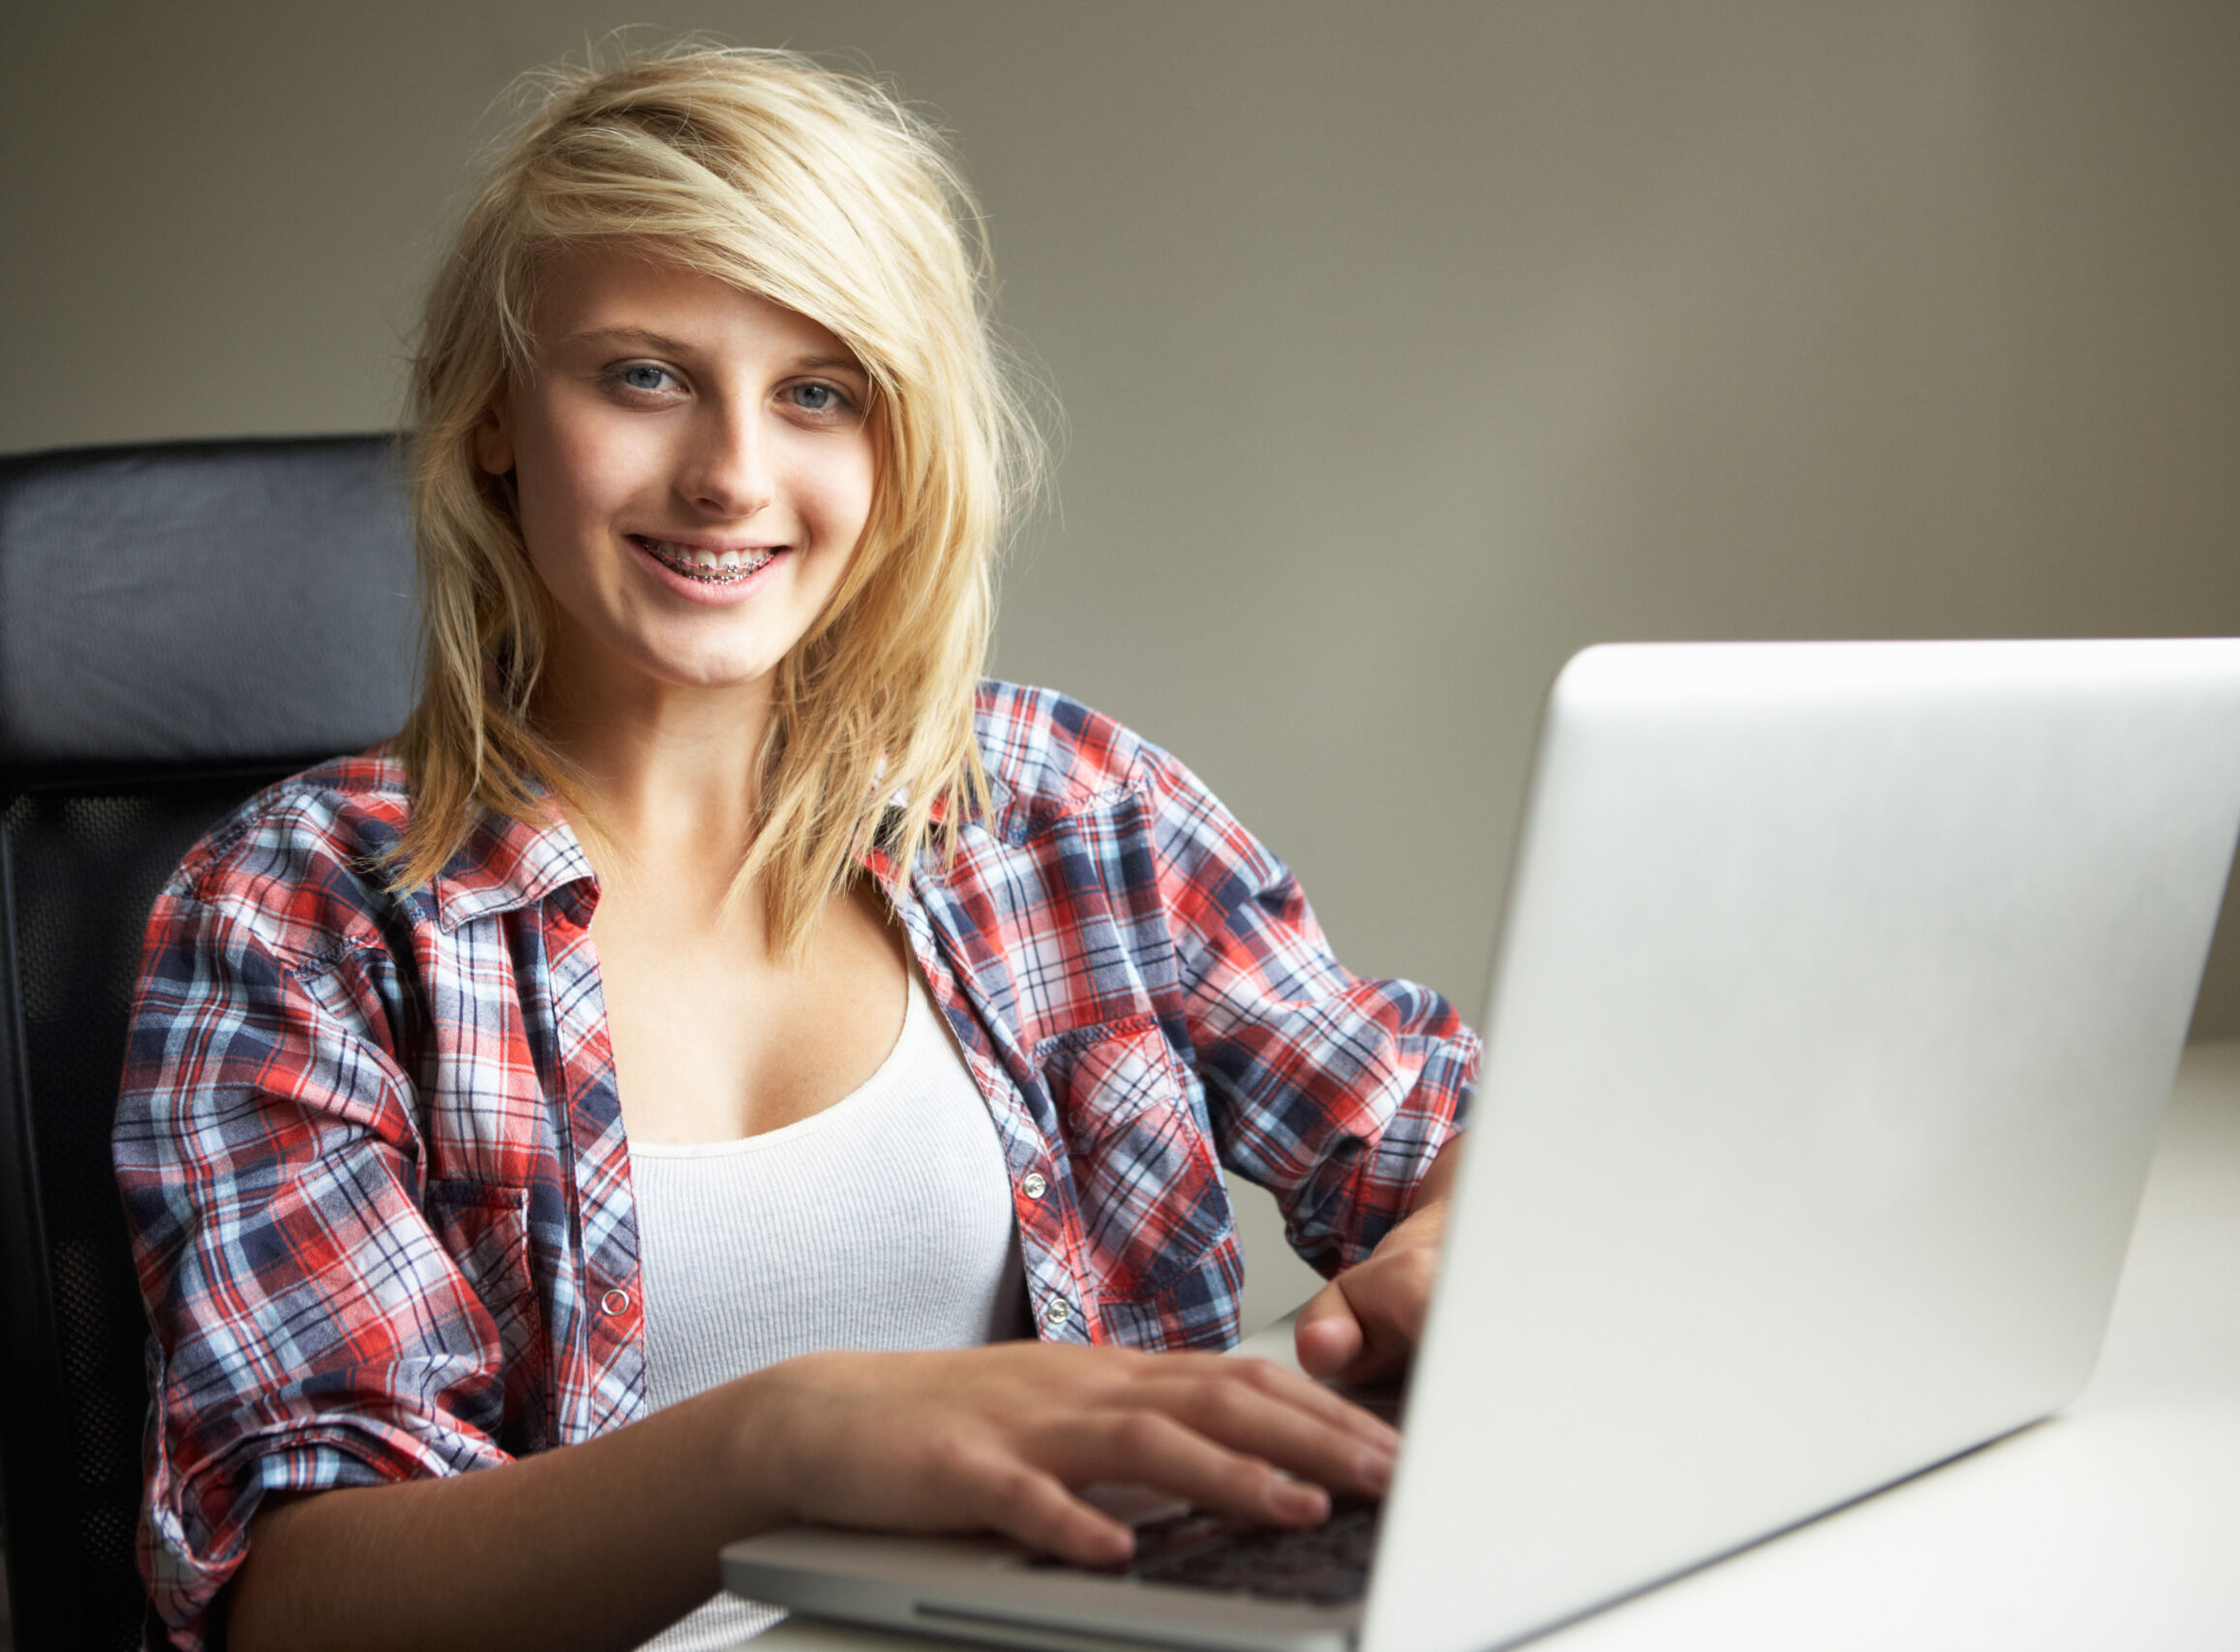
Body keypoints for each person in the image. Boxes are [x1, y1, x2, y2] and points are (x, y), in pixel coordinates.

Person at [111, 42, 1476, 1652]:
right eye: (643, 376)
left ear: (896, 450)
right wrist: (786, 1442)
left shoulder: (1062, 808)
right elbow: (305, 1601)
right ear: (494, 422)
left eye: (816, 393)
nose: (732, 476)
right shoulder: (305, 910)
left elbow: (1442, 1134)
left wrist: (1454, 1245)